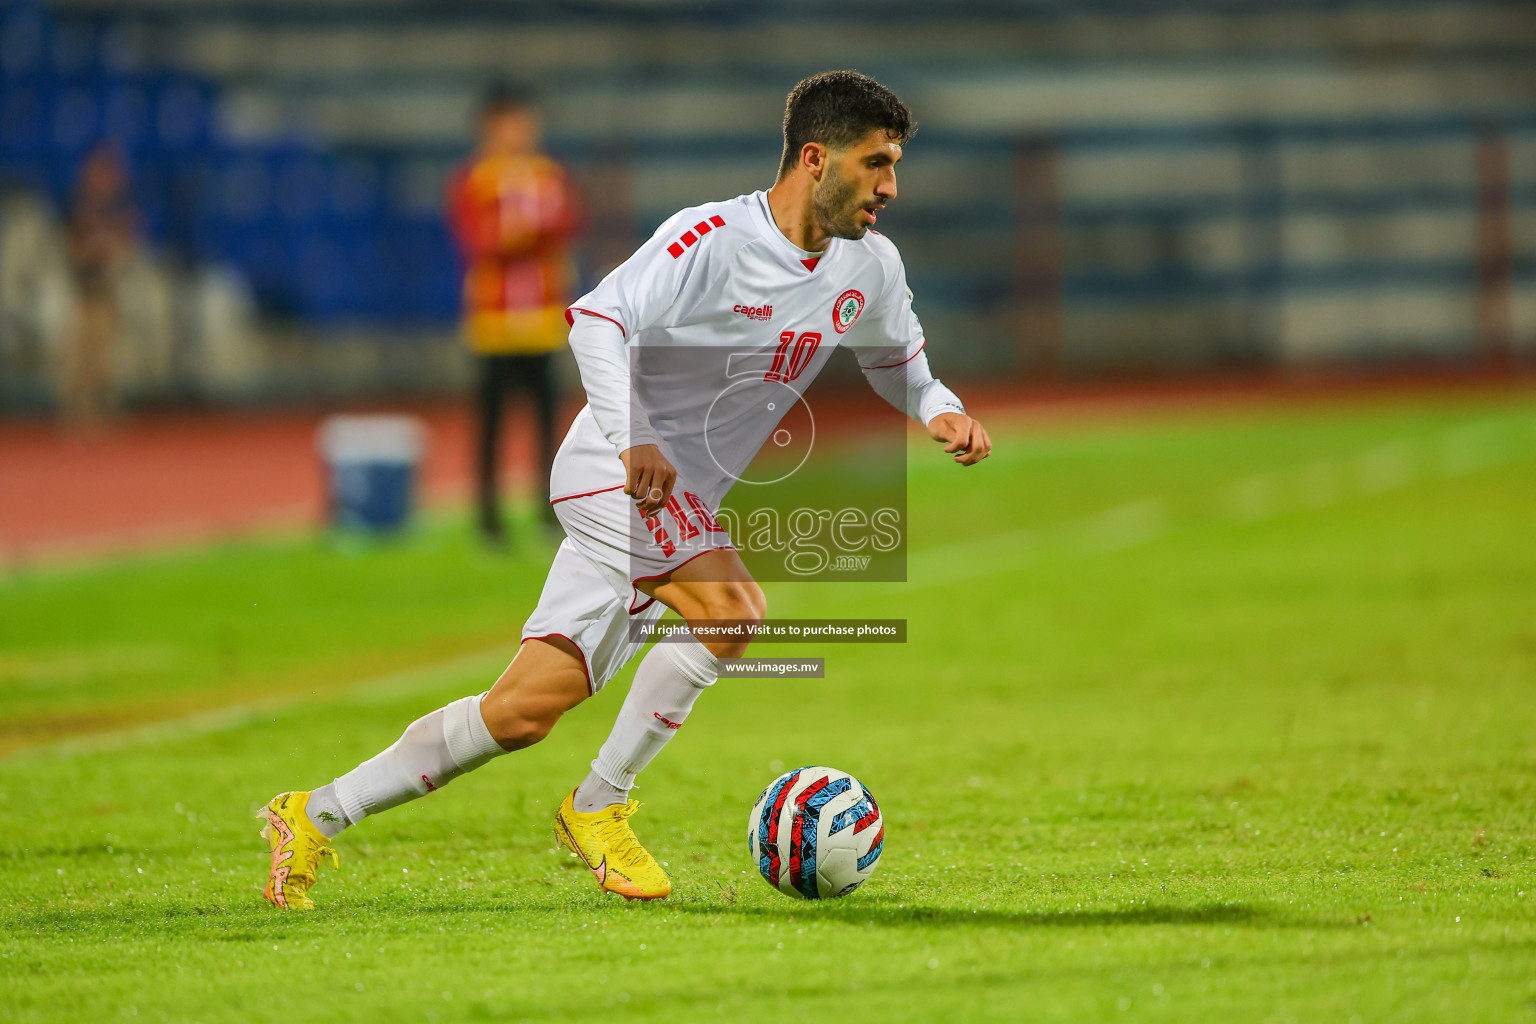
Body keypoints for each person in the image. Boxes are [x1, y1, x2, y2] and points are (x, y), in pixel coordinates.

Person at [259, 70, 992, 910]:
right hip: (614, 476)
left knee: (522, 712)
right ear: (816, 158)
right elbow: (596, 318)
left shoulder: (872, 265)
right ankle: (598, 807)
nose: (890, 187)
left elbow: (902, 365)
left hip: (676, 505)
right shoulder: (710, 238)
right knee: (735, 610)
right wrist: (634, 436)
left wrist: (942, 410)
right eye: (877, 164)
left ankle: (312, 815)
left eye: (895, 166)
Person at [445, 83, 581, 546]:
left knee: (549, 423)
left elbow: (564, 226)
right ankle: (489, 517)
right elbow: (478, 241)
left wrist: (517, 234)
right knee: (492, 422)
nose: (520, 132)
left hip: (542, 318)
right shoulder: (474, 179)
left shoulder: (548, 175)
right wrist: (521, 234)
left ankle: (550, 510)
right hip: (495, 321)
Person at [61, 143, 136, 432]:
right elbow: (71, 245)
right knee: (81, 354)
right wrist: (91, 251)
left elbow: (128, 239)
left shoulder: (117, 203)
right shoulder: (77, 201)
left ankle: (101, 409)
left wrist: (112, 252)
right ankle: (76, 412)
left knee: (104, 355)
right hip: (81, 288)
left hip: (106, 287)